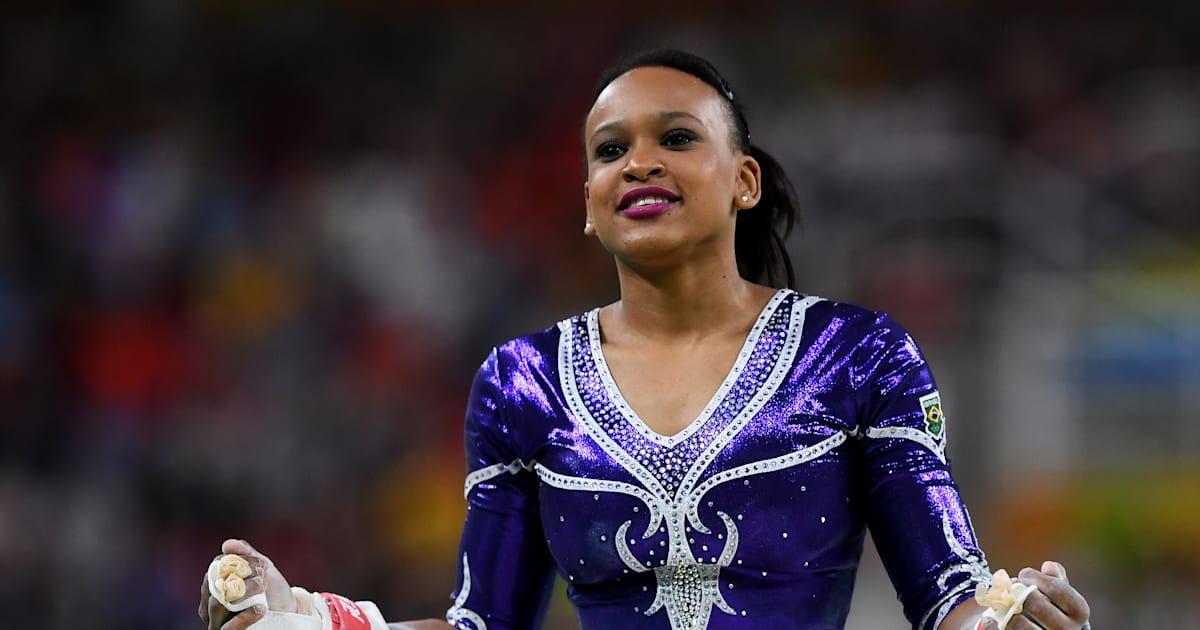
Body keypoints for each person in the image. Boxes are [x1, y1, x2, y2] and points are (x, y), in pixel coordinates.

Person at [200, 49, 1091, 630]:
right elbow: (485, 626)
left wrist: (1011, 621)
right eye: (608, 150)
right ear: (589, 204)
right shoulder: (523, 382)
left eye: (674, 138)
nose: (637, 162)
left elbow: (948, 595)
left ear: (742, 181)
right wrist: (313, 621)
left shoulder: (856, 356)